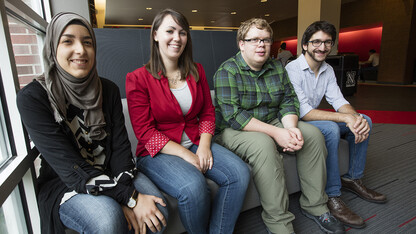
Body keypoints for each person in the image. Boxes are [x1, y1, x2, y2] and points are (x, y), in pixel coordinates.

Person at [16, 12, 168, 234]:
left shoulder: (108, 89)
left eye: (87, 42)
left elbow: (120, 147)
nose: (81, 50)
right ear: (52, 48)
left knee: (158, 213)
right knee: (108, 220)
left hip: (112, 170)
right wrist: (129, 198)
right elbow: (70, 169)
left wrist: (124, 193)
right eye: (68, 41)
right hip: (67, 182)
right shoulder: (33, 98)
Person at [213, 18, 345, 234]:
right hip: (233, 129)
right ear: (241, 44)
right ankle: (279, 223)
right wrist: (276, 133)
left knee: (312, 134)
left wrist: (291, 128)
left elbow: (288, 100)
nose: (261, 45)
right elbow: (233, 115)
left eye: (266, 40)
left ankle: (315, 206)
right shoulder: (227, 71)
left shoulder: (276, 67)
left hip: (271, 119)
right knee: (263, 144)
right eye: (254, 39)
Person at [125, 9, 250, 234]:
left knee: (239, 174)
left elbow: (208, 113)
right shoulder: (137, 78)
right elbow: (144, 131)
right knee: (193, 187)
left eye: (182, 33)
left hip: (194, 140)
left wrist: (203, 146)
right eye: (170, 31)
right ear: (155, 35)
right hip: (156, 153)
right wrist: (187, 155)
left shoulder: (197, 71)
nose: (177, 38)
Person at [286, 21, 387, 230]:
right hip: (295, 120)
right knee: (332, 128)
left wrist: (355, 118)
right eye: (316, 42)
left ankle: (353, 178)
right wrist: (345, 119)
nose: (322, 47)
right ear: (305, 45)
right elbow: (304, 111)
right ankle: (332, 195)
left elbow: (339, 101)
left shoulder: (328, 69)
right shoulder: (292, 69)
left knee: (365, 119)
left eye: (327, 42)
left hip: (312, 117)